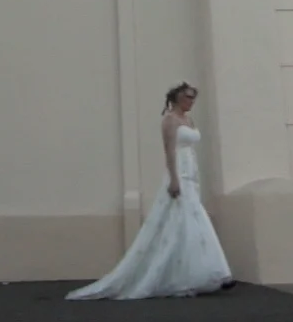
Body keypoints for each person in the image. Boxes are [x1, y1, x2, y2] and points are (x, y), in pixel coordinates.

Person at [67, 82, 234, 300]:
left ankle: (207, 272)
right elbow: (169, 151)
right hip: (179, 171)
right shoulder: (170, 120)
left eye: (193, 98)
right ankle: (204, 274)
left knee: (193, 219)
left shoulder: (189, 120)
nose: (191, 102)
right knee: (187, 218)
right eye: (188, 97)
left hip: (191, 170)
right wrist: (173, 178)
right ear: (177, 98)